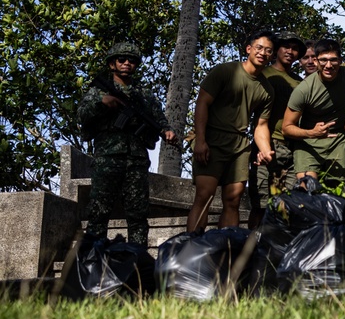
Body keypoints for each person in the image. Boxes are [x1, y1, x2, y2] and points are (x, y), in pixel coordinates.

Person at [77, 42, 176, 246]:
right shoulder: (98, 91)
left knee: (138, 213)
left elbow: (159, 119)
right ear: (112, 64)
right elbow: (82, 115)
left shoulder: (143, 95)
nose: (127, 63)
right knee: (99, 211)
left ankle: (137, 259)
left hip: (136, 160)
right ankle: (93, 258)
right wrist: (102, 103)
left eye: (131, 61)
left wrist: (167, 131)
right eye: (122, 59)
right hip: (108, 159)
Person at [187, 31, 275, 233]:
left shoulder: (267, 89)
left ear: (272, 56)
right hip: (212, 139)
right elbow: (202, 103)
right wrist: (200, 140)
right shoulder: (225, 71)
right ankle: (191, 245)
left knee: (233, 199)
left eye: (268, 51)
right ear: (249, 49)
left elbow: (261, 126)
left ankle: (226, 249)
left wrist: (265, 150)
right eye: (259, 48)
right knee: (204, 195)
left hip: (239, 145)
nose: (263, 53)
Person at [283, 39, 345, 188]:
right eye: (323, 60)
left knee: (337, 193)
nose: (328, 65)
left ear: (341, 61)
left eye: (333, 60)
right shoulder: (304, 90)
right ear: (316, 61)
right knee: (308, 189)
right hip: (308, 143)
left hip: (337, 140)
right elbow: (287, 127)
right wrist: (312, 133)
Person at [249, 30, 305, 229]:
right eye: (285, 47)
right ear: (276, 50)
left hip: (292, 147)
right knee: (261, 203)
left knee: (286, 204)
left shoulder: (300, 82)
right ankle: (253, 250)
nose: (290, 51)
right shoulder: (263, 74)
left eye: (295, 48)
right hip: (266, 144)